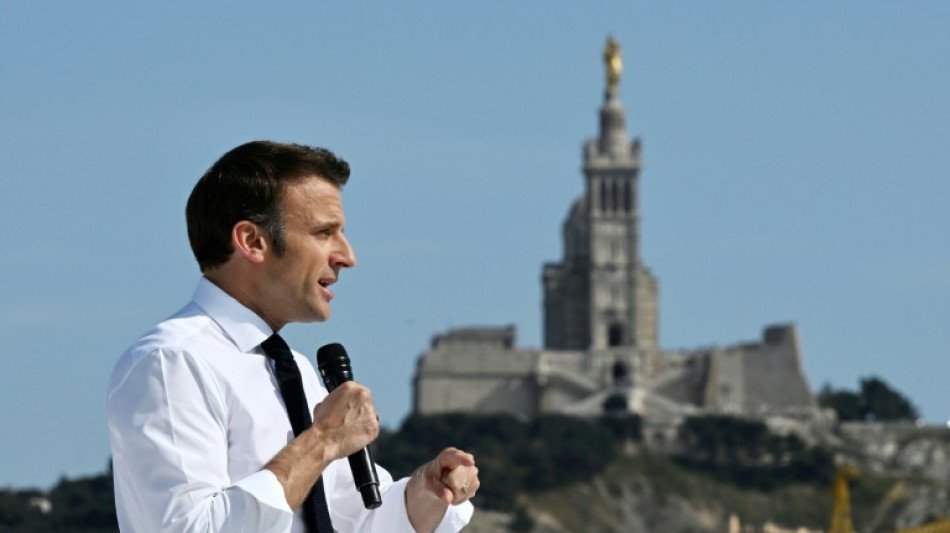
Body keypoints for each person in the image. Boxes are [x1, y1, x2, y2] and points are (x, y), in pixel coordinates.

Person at [107, 140, 479, 532]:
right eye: (324, 232)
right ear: (252, 241)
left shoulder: (294, 370)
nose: (347, 256)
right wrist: (320, 442)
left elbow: (353, 518)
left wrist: (428, 495)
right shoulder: (172, 361)